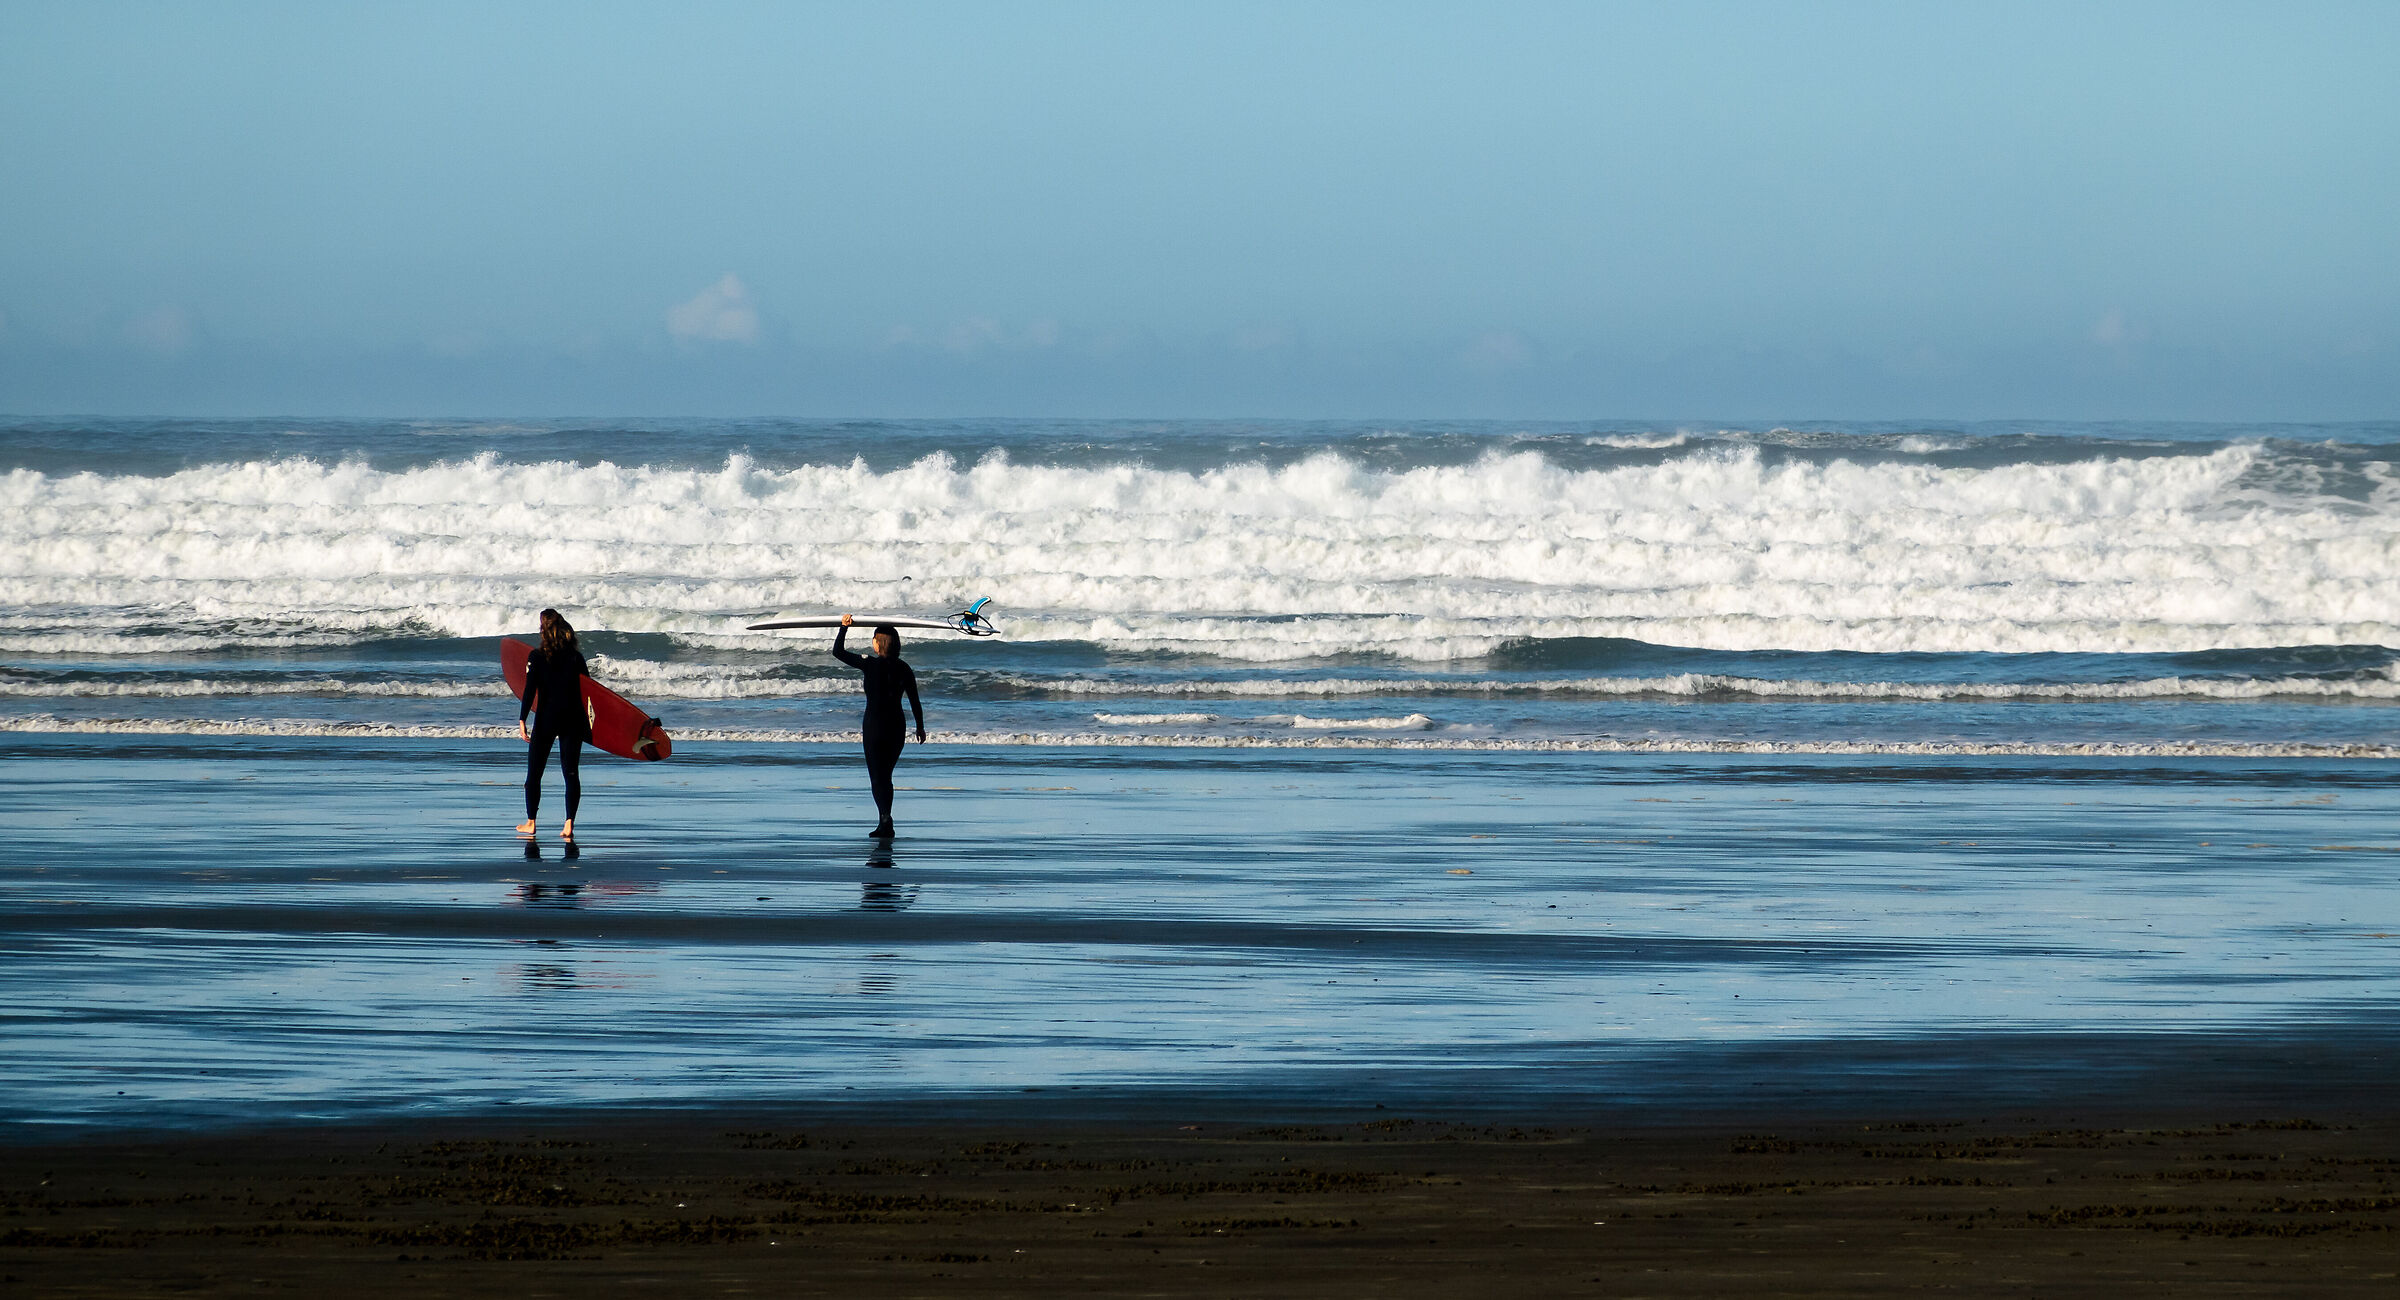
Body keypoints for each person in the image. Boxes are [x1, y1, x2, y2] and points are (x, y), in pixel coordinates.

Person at [832, 614, 925, 837]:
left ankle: (885, 819)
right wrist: (920, 727)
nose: (872, 643)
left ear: (878, 643)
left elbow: (838, 652)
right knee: (886, 776)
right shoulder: (905, 668)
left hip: (874, 726)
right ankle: (885, 820)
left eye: (874, 639)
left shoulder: (869, 663)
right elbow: (914, 700)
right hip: (896, 727)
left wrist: (843, 628)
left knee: (877, 776)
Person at [517, 607, 590, 842]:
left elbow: (529, 691)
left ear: (543, 631)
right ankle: (569, 823)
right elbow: (590, 693)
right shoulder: (576, 658)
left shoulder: (536, 658)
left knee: (534, 773)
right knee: (571, 773)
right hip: (572, 719)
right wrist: (590, 726)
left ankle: (531, 822)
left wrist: (522, 720)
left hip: (546, 719)